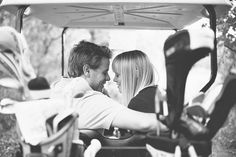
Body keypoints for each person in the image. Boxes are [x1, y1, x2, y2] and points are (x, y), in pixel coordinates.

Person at [50, 40, 166, 133]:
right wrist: (174, 121)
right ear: (87, 70)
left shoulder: (58, 91)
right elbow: (144, 123)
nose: (109, 78)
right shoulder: (93, 101)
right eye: (104, 73)